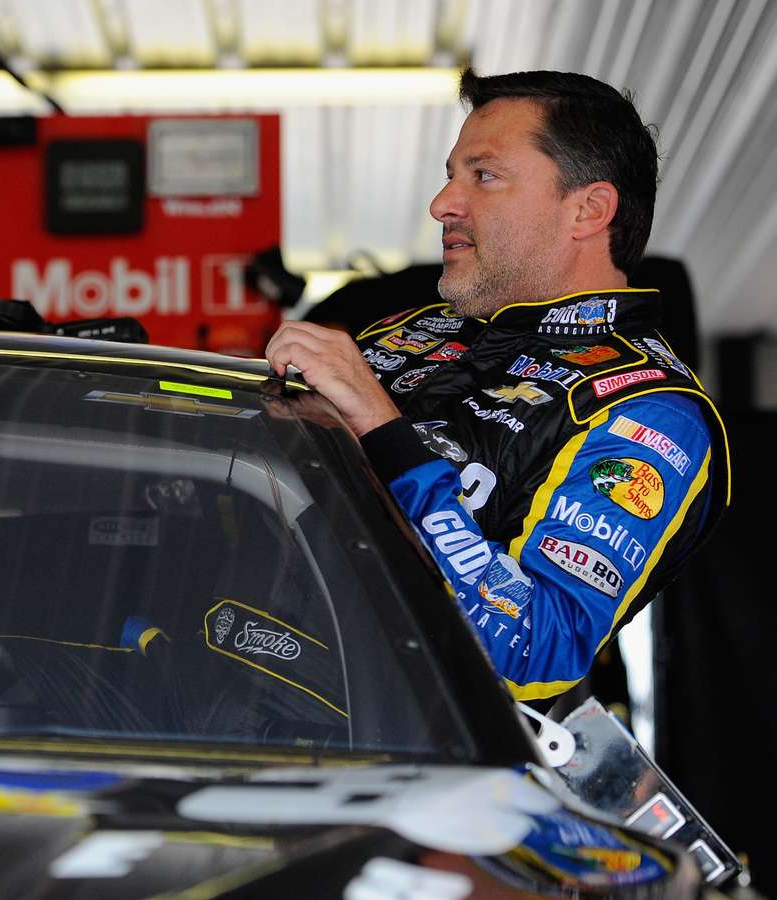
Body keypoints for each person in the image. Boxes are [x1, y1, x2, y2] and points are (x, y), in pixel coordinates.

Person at [266, 68, 729, 702]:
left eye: (483, 176)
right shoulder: (414, 330)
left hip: (378, 747)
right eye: (450, 175)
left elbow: (534, 651)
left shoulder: (648, 409)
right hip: (217, 686)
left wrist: (381, 428)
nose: (442, 204)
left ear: (588, 210)